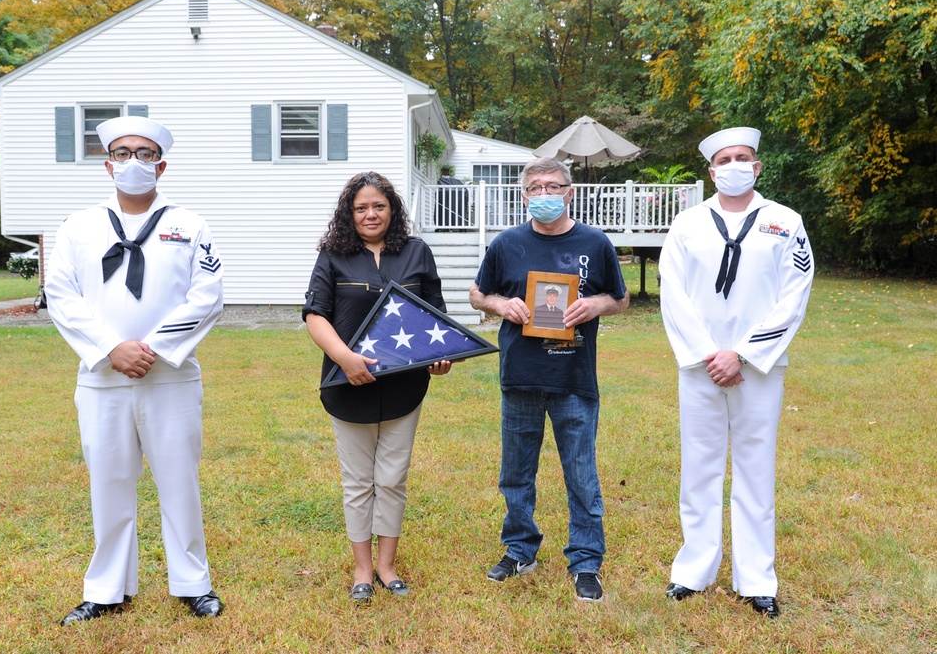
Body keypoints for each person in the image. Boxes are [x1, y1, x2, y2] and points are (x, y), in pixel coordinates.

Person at [45, 116, 225, 624]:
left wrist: (151, 348)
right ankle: (105, 590)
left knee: (178, 482)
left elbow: (207, 297)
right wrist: (110, 347)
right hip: (102, 377)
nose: (133, 162)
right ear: (107, 165)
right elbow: (60, 295)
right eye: (122, 153)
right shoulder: (78, 226)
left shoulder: (189, 224)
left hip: (170, 375)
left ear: (161, 165)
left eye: (144, 154)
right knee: (109, 482)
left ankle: (193, 582)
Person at [658, 127, 814, 618]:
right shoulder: (687, 225)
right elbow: (672, 291)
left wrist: (742, 354)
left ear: (758, 166)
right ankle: (693, 571)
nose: (733, 164)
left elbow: (795, 293)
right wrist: (709, 352)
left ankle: (757, 578)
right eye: (723, 159)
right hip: (700, 364)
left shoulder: (785, 222)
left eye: (742, 157)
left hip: (758, 369)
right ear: (711, 171)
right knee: (699, 467)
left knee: (755, 468)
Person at [469, 157, 629, 602]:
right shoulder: (506, 244)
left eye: (553, 186)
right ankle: (520, 549)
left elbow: (621, 298)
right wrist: (501, 306)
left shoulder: (595, 243)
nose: (544, 194)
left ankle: (586, 562)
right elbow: (477, 293)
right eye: (535, 188)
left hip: (574, 375)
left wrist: (595, 305)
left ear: (570, 191)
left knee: (581, 474)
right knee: (516, 472)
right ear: (524, 196)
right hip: (520, 373)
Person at [303, 171, 452, 603]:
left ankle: (387, 566)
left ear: (393, 209)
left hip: (405, 389)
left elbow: (435, 318)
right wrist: (345, 359)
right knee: (357, 483)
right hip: (347, 385)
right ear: (349, 213)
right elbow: (315, 314)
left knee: (392, 478)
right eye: (361, 207)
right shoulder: (332, 256)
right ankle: (362, 570)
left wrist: (441, 357)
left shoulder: (417, 252)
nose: (371, 214)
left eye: (379, 206)